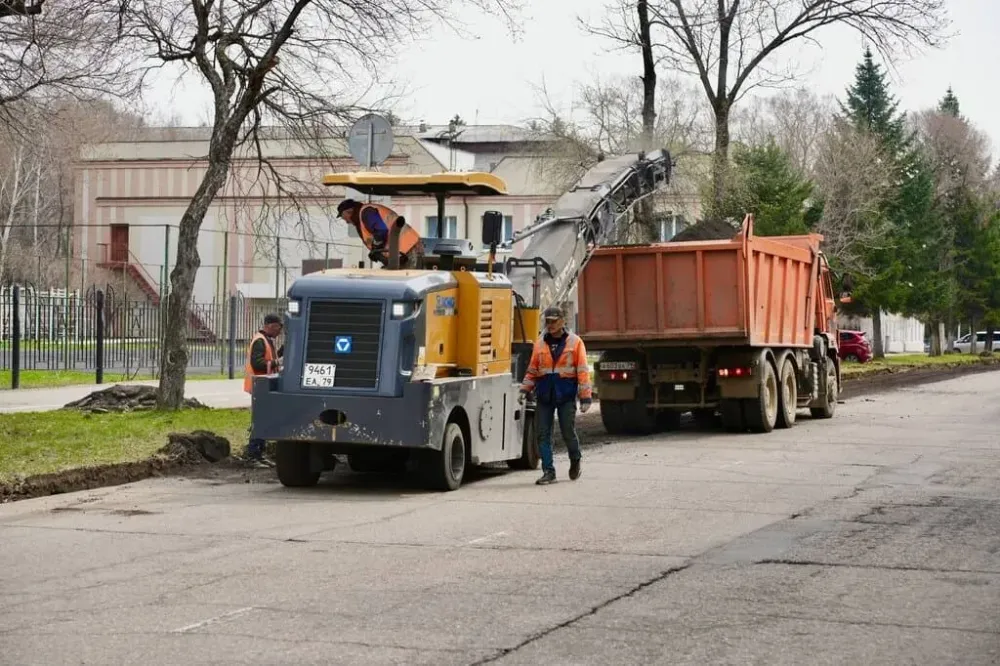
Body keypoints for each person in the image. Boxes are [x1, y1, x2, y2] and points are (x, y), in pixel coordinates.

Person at [519, 305, 592, 485]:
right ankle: (548, 472)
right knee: (542, 434)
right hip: (544, 395)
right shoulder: (540, 343)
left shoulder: (575, 342)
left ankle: (575, 459)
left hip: (565, 394)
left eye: (553, 321)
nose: (550, 325)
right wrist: (524, 389)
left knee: (568, 432)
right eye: (547, 321)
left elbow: (582, 371)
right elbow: (533, 370)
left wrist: (585, 397)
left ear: (562, 321)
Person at [243, 313, 284, 467]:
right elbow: (258, 364)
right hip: (259, 386)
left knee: (263, 419)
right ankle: (253, 455)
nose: (279, 332)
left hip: (263, 386)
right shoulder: (260, 341)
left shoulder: (267, 340)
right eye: (279, 328)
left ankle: (259, 453)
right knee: (259, 421)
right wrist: (277, 361)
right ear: (271, 326)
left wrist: (280, 353)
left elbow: (269, 359)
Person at [336, 199, 424, 267]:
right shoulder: (363, 215)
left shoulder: (366, 213)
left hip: (408, 249)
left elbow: (381, 231)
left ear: (349, 211)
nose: (346, 222)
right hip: (402, 251)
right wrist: (376, 251)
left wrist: (376, 249)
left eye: (344, 217)